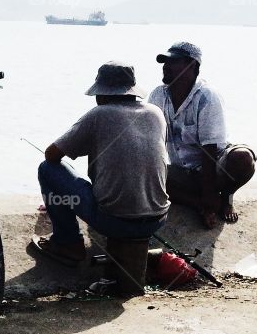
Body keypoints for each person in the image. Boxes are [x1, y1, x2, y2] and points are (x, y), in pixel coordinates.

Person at [33, 61, 169, 267]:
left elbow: (51, 155)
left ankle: (67, 243)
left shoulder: (99, 114)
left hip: (114, 222)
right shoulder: (156, 113)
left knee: (47, 169)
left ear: (102, 94)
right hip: (157, 220)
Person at [147, 42, 256, 229]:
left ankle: (226, 197)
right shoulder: (158, 95)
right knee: (143, 175)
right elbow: (151, 140)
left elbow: (209, 150)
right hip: (183, 171)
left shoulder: (207, 97)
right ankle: (201, 204)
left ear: (192, 66)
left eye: (173, 61)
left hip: (214, 168)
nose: (166, 66)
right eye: (164, 62)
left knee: (243, 159)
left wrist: (209, 192)